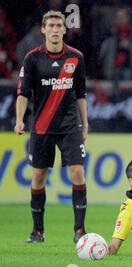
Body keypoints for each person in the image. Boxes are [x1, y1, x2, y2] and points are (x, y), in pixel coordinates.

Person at [14, 10, 88, 244]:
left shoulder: (76, 57)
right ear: (44, 30)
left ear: (65, 30)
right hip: (42, 127)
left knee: (77, 172)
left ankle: (79, 231)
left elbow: (81, 95)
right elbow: (23, 94)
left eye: (59, 25)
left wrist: (85, 124)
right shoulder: (32, 58)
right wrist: (19, 120)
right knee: (38, 177)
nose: (55, 29)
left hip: (69, 126)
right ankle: (37, 232)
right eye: (51, 26)